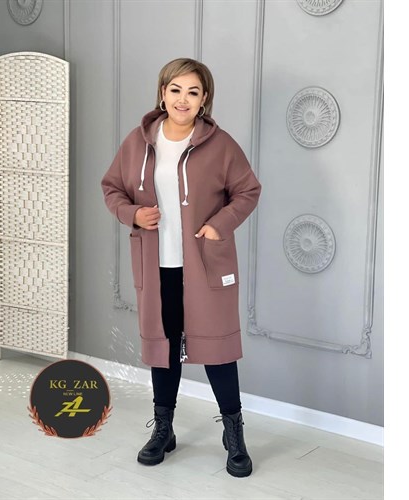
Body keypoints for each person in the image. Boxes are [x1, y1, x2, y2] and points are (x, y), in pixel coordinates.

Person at [101, 57, 261, 477]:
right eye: (175, 90)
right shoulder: (139, 142)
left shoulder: (220, 145)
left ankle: (234, 435)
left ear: (204, 98)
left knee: (218, 350)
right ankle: (164, 429)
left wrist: (218, 225)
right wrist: (133, 214)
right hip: (157, 264)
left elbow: (247, 190)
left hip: (204, 264)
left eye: (193, 91)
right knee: (164, 347)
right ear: (162, 92)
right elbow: (111, 187)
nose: (183, 99)